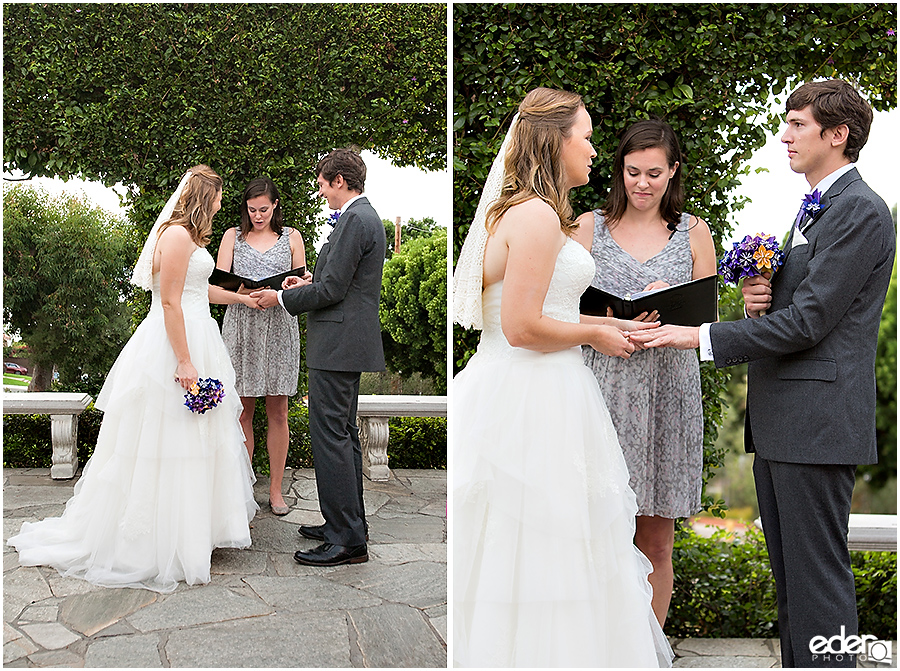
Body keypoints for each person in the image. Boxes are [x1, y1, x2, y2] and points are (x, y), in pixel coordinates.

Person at [630, 79, 894, 667]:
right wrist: (763, 297)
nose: (785, 135)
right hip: (789, 422)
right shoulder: (821, 205)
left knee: (818, 583)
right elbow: (803, 311)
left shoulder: (858, 210)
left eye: (798, 124)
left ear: (837, 133)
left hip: (816, 423)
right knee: (795, 582)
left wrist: (696, 336)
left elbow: (809, 324)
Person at [452, 87, 672, 667]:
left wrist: (600, 321)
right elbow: (522, 327)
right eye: (588, 136)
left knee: (545, 543)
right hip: (533, 394)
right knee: (542, 542)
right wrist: (596, 333)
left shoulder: (527, 211)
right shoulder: (536, 215)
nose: (595, 149)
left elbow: (534, 310)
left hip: (533, 386)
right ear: (556, 141)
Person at [7, 166, 259, 593]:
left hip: (197, 333)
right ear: (204, 196)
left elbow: (198, 290)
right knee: (169, 435)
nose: (222, 203)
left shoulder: (190, 239)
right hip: (175, 343)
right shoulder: (177, 236)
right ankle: (158, 540)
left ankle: (191, 529)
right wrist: (184, 361)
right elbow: (169, 302)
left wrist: (240, 298)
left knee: (195, 437)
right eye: (217, 196)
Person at [572, 118, 716, 627]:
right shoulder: (587, 227)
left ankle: (649, 653)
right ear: (619, 171)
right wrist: (602, 320)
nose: (642, 183)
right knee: (597, 533)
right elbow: (555, 310)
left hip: (668, 394)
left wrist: (670, 302)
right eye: (632, 171)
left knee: (656, 539)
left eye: (654, 173)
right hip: (603, 389)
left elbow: (709, 322)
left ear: (673, 172)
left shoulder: (695, 232)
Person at [252, 148, 385, 567]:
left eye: (324, 184)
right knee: (341, 436)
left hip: (339, 344)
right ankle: (344, 525)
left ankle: (346, 539)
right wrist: (306, 279)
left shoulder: (355, 220)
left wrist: (281, 296)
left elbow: (332, 293)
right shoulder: (361, 219)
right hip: (343, 343)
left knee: (331, 438)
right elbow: (333, 281)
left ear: (340, 181)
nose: (322, 191)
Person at [217, 177, 307, 515]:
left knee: (279, 411)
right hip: (241, 326)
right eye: (252, 210)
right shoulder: (232, 236)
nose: (258, 215)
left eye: (264, 209)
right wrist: (247, 295)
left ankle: (276, 491)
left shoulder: (292, 237)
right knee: (243, 411)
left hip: (280, 326)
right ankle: (242, 490)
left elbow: (303, 283)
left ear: (275, 206)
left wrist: (283, 291)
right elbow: (218, 281)